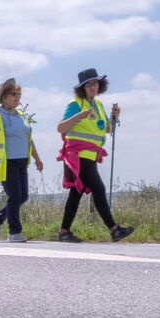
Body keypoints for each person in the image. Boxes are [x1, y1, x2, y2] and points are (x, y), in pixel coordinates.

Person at [56, 68, 134, 243]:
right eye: (89, 84)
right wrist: (80, 115)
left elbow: (106, 129)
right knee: (98, 189)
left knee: (76, 193)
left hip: (91, 155)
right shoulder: (76, 103)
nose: (93, 86)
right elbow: (61, 128)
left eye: (96, 83)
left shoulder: (98, 105)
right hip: (78, 155)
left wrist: (114, 118)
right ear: (82, 87)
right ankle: (114, 229)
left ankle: (64, 232)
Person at [0, 79, 44, 242]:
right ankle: (14, 232)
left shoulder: (21, 116)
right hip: (7, 162)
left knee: (23, 196)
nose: (17, 98)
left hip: (21, 161)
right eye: (14, 94)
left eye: (19, 95)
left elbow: (28, 139)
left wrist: (37, 158)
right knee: (15, 195)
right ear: (4, 97)